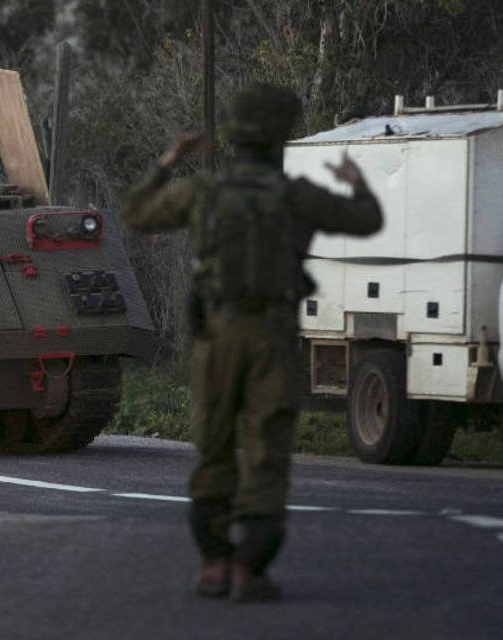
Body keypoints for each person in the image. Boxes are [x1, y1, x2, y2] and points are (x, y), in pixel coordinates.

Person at [120, 83, 383, 603]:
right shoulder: (298, 197)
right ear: (281, 137)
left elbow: (134, 211)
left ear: (234, 136)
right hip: (273, 335)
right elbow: (368, 220)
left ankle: (214, 563)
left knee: (213, 442)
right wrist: (356, 182)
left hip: (217, 335)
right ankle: (250, 568)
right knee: (267, 447)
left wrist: (168, 161)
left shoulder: (203, 194)